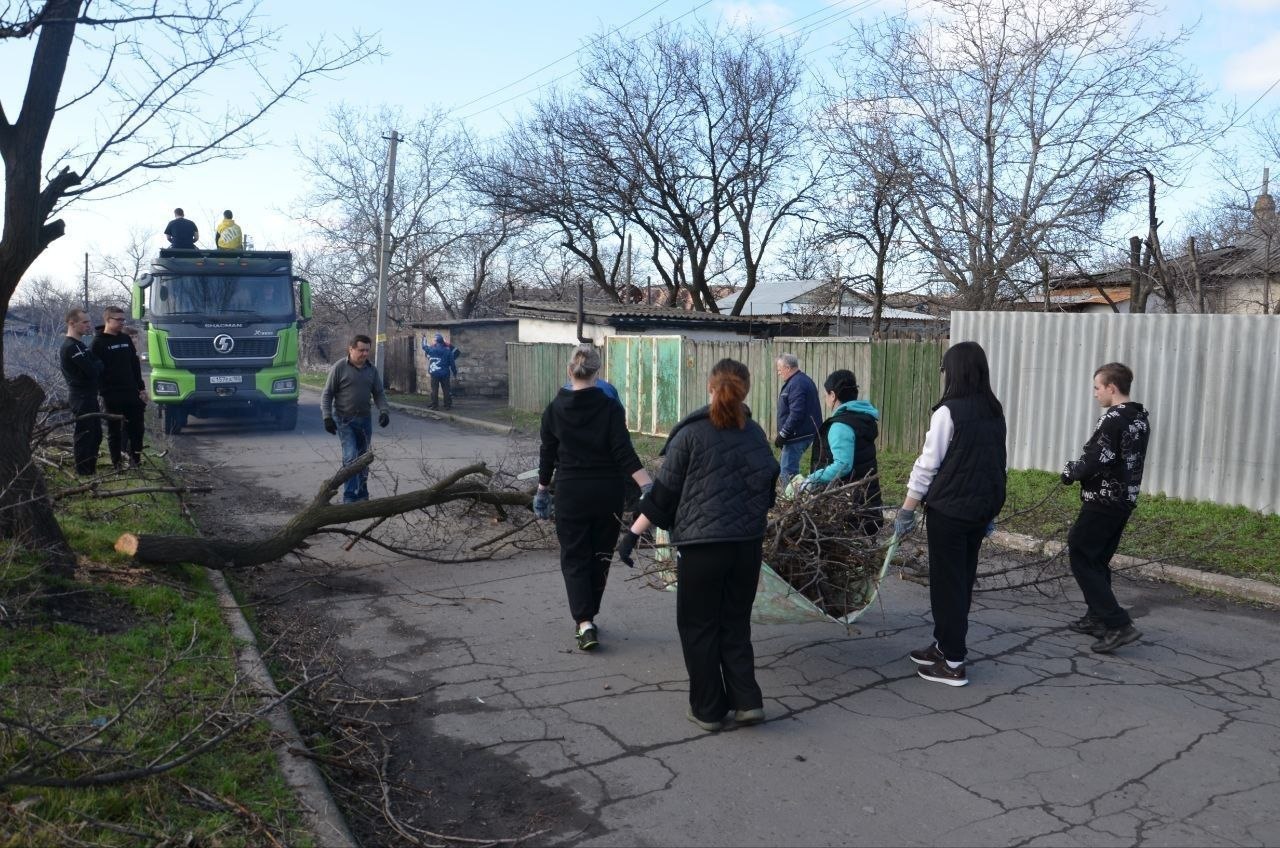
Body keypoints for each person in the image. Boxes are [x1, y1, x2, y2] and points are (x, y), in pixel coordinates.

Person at [616, 358, 779, 732]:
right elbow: (770, 487)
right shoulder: (754, 434)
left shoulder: (690, 435)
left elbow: (664, 494)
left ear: (710, 387)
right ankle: (747, 701)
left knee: (699, 626)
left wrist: (632, 534)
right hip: (746, 548)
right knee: (734, 623)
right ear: (746, 390)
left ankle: (708, 709)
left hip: (704, 549)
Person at [894, 341, 1006, 687]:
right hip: (977, 510)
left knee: (948, 586)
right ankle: (943, 645)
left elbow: (928, 464)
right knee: (961, 580)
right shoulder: (993, 409)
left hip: (952, 511)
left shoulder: (948, 412)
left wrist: (907, 509)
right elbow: (997, 463)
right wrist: (990, 510)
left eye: (945, 369)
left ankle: (953, 662)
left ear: (954, 372)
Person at [534, 344, 653, 652]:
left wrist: (543, 488)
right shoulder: (610, 406)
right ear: (597, 372)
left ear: (569, 370)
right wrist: (647, 485)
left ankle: (584, 621)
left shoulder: (554, 409)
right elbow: (623, 452)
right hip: (606, 492)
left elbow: (547, 454)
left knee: (574, 556)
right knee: (600, 555)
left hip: (571, 492)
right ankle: (589, 615)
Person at [1060, 362, 1150, 654]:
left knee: (1081, 552)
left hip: (1104, 499)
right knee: (1097, 560)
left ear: (1112, 388)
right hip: (1124, 499)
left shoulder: (1113, 419)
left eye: (1097, 387)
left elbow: (1096, 459)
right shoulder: (1138, 417)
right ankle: (1097, 617)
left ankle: (1117, 623)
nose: (1095, 393)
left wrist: (1071, 472)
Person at [803, 369, 883, 536]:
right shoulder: (862, 417)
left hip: (850, 501)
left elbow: (843, 465)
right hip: (867, 496)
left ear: (833, 395)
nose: (825, 399)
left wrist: (812, 479)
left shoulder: (841, 426)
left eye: (826, 395)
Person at [321, 335, 390, 503]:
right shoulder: (339, 368)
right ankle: (350, 496)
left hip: (364, 421)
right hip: (344, 420)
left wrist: (384, 411)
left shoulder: (371, 370)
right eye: (361, 350)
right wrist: (327, 417)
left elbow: (379, 393)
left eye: (367, 350)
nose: (365, 353)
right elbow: (327, 394)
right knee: (351, 457)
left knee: (363, 458)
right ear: (351, 349)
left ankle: (362, 493)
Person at [91, 306, 148, 469]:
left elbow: (134, 364)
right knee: (114, 431)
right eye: (119, 320)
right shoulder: (98, 343)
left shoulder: (125, 339)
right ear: (108, 320)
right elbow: (95, 371)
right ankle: (117, 464)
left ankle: (135, 462)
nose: (122, 323)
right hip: (112, 395)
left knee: (137, 429)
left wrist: (141, 388)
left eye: (124, 320)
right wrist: (103, 390)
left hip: (131, 392)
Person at [60, 308, 104, 476]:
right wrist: (96, 366)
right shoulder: (70, 347)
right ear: (72, 323)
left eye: (89, 321)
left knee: (96, 434)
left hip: (90, 396)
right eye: (84, 322)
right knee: (85, 434)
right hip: (81, 397)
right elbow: (93, 370)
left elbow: (98, 364)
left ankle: (90, 470)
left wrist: (96, 366)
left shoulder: (80, 345)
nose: (88, 325)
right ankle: (83, 472)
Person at [774, 353, 822, 485]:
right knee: (789, 471)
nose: (778, 373)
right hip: (801, 433)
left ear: (788, 368)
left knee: (787, 473)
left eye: (779, 369)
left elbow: (796, 413)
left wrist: (783, 434)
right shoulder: (800, 380)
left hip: (797, 435)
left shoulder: (796, 384)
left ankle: (791, 502)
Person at [422, 333, 455, 410]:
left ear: (436, 342)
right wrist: (454, 372)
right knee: (446, 390)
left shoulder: (431, 349)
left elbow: (424, 346)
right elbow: (452, 363)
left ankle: (434, 405)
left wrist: (424, 338)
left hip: (434, 373)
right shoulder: (448, 351)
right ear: (442, 342)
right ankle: (447, 405)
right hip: (445, 373)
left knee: (434, 389)